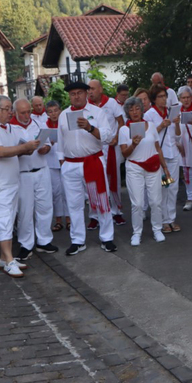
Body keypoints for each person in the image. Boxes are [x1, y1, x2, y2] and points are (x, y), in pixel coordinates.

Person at [0, 95, 40, 276]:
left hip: (11, 182)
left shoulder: (8, 127)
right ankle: (9, 260)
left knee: (9, 220)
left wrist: (26, 149)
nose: (10, 112)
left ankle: (4, 258)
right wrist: (24, 148)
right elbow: (0, 152)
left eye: (10, 109)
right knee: (3, 221)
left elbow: (13, 151)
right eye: (6, 109)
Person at [57, 81, 115, 254]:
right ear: (69, 96)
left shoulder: (97, 112)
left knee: (101, 201)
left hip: (92, 161)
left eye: (79, 93)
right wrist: (62, 162)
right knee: (74, 204)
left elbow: (107, 136)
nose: (76, 96)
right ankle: (77, 240)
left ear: (86, 94)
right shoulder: (63, 115)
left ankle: (107, 238)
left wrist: (90, 128)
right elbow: (60, 141)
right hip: (71, 164)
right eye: (73, 94)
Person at [9, 98, 56, 260]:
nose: (26, 115)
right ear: (15, 112)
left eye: (28, 112)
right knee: (25, 210)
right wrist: (22, 150)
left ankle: (44, 240)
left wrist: (45, 148)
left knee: (45, 206)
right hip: (23, 173)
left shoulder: (37, 123)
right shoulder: (10, 128)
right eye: (22, 113)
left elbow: (48, 143)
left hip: (42, 169)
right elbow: (8, 152)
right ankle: (26, 244)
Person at [119, 97, 167, 246]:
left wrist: (165, 167)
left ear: (142, 110)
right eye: (131, 109)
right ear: (127, 112)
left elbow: (157, 148)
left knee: (155, 201)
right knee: (138, 204)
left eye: (137, 108)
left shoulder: (151, 126)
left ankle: (157, 229)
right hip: (134, 168)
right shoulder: (124, 130)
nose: (134, 112)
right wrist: (133, 144)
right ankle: (137, 233)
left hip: (153, 167)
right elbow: (124, 154)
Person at [89, 79, 126, 228]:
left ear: (100, 89)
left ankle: (116, 211)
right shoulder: (87, 106)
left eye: (93, 88)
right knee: (93, 181)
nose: (90, 92)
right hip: (93, 149)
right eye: (88, 89)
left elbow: (121, 122)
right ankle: (94, 215)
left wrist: (117, 137)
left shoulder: (111, 103)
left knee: (114, 179)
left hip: (111, 147)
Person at [145, 85, 183, 232]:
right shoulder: (149, 115)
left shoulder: (171, 112)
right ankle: (163, 220)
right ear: (154, 99)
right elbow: (147, 137)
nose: (164, 99)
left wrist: (177, 123)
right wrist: (160, 126)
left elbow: (178, 135)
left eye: (165, 96)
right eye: (160, 96)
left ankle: (171, 218)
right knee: (162, 188)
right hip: (159, 156)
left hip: (173, 153)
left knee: (173, 187)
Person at [41, 101, 69, 239]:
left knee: (67, 190)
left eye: (56, 110)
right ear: (47, 113)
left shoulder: (65, 123)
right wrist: (48, 143)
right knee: (56, 191)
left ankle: (69, 219)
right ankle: (58, 220)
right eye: (50, 111)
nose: (53, 114)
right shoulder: (43, 125)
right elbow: (40, 144)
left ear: (60, 110)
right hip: (51, 161)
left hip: (65, 160)